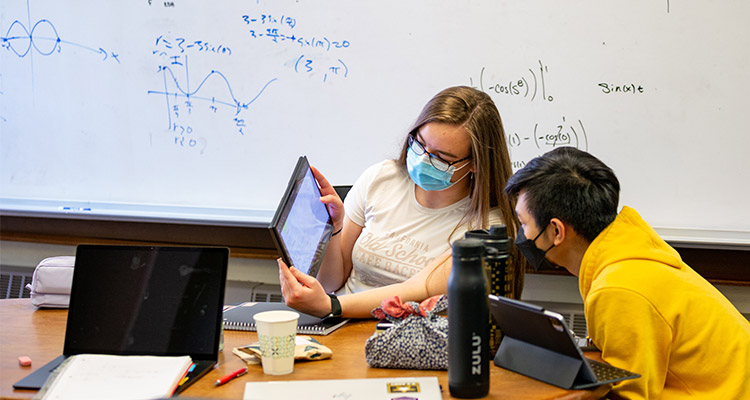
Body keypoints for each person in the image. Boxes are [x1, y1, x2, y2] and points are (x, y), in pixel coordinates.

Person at [504, 146, 750, 399]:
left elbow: (629, 395)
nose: (522, 234)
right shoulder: (630, 250)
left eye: (524, 224)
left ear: (557, 231)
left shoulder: (619, 289)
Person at [279, 85, 524, 319]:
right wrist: (335, 228)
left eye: (441, 158)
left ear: (476, 163)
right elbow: (332, 282)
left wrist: (331, 306)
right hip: (340, 322)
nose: (424, 160)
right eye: (420, 144)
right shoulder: (381, 178)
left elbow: (421, 288)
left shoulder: (490, 226)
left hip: (413, 337)